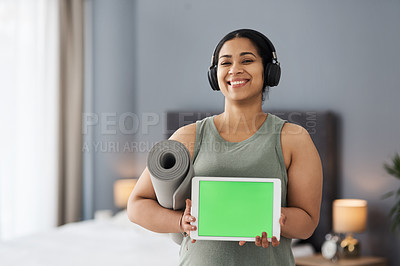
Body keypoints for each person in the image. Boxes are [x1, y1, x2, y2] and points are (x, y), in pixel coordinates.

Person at [127, 29, 323, 266]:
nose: (234, 69)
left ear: (269, 71)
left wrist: (274, 218)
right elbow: (136, 205)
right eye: (225, 63)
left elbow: (308, 223)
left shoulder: (293, 138)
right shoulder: (189, 136)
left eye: (247, 60)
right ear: (215, 74)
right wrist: (181, 222)